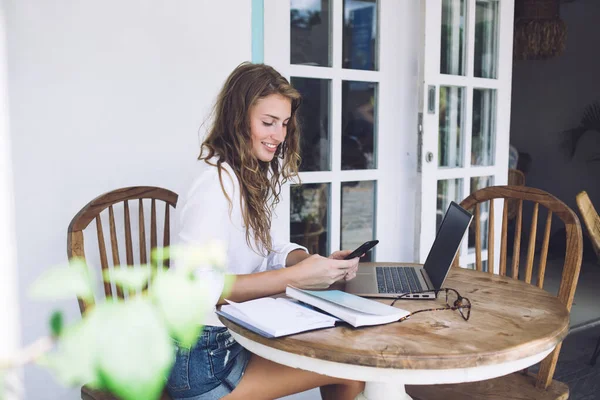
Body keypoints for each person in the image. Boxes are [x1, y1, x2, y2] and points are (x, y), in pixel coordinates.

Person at [166, 62, 365, 400]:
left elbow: (270, 248)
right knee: (349, 369)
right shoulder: (214, 183)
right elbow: (196, 287)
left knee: (344, 358)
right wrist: (296, 278)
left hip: (235, 338)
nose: (279, 135)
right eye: (268, 122)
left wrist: (313, 263)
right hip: (201, 366)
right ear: (237, 119)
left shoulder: (247, 175)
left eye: (284, 124)